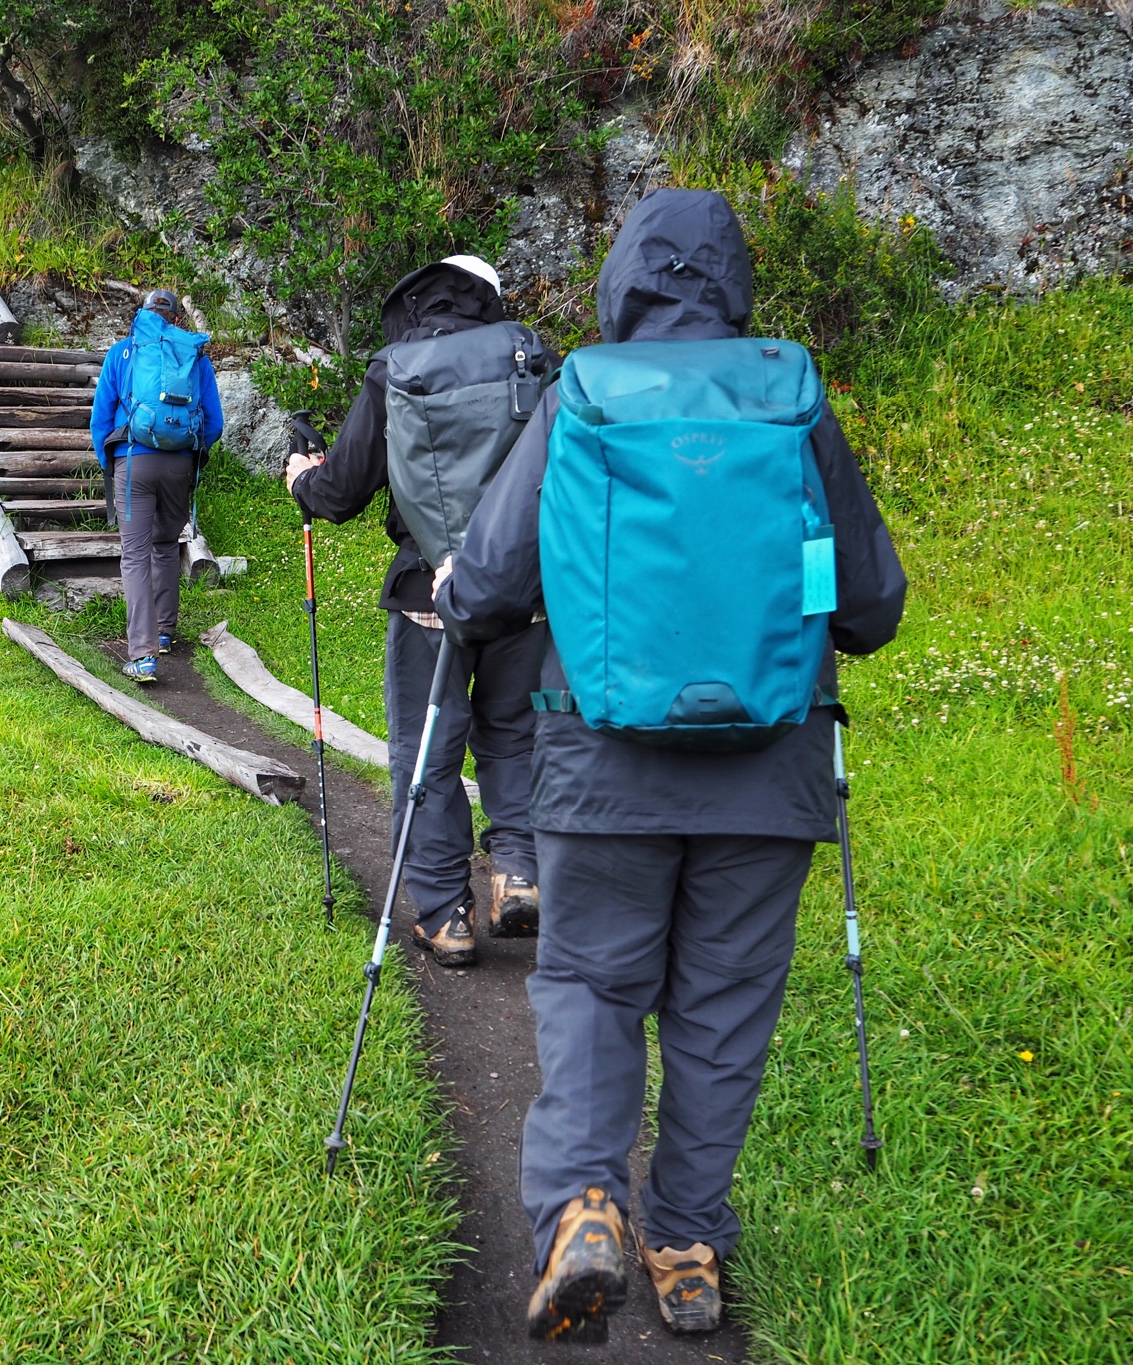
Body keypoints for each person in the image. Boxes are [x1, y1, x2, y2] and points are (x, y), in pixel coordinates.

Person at [433, 189, 907, 1339]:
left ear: (622, 279)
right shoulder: (791, 395)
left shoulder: (580, 396)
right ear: (732, 281)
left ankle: (584, 1201)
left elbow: (490, 585)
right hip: (768, 777)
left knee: (592, 989)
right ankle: (684, 1240)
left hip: (600, 775)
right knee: (722, 1010)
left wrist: (454, 597)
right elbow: (872, 608)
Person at [285, 255, 548, 969]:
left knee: (425, 751)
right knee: (514, 737)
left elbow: (340, 493)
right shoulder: (527, 357)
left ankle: (445, 913)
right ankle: (519, 871)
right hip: (524, 595)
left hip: (429, 594)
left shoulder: (396, 366)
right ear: (485, 299)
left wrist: (302, 480)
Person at [90, 289, 224, 684]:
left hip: (133, 461)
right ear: (175, 319)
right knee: (166, 544)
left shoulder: (123, 353)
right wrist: (188, 456)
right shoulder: (194, 357)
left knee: (134, 554)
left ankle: (143, 655)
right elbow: (213, 424)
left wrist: (110, 463)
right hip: (179, 465)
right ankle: (165, 631)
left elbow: (100, 420)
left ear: (143, 314)